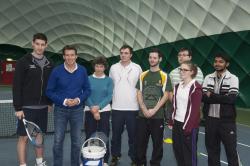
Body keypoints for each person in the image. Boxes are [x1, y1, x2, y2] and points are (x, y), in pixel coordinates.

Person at [13, 33, 53, 166]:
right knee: (23, 138)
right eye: (37, 44)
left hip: (42, 108)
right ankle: (23, 164)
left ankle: (40, 162)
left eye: (42, 44)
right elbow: (16, 86)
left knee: (39, 136)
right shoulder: (23, 62)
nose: (40, 47)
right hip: (26, 108)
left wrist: (49, 102)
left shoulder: (49, 64)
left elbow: (50, 86)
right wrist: (18, 108)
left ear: (46, 45)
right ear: (32, 44)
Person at [46, 45, 91, 166]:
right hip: (60, 110)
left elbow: (87, 90)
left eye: (72, 55)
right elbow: (49, 91)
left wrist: (78, 100)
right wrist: (64, 101)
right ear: (63, 56)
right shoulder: (56, 71)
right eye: (67, 55)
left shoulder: (82, 70)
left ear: (76, 56)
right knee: (57, 141)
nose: (70, 57)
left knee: (76, 142)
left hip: (77, 111)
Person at [202, 54, 240, 166]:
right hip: (210, 121)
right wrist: (221, 97)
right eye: (216, 61)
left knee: (231, 152)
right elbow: (203, 97)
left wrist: (212, 95)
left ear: (227, 64)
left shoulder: (233, 78)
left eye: (221, 61)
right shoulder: (208, 77)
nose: (217, 64)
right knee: (212, 151)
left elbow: (231, 99)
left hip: (227, 122)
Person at [135, 48, 172, 166]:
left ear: (160, 59)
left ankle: (155, 164)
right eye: (150, 57)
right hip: (142, 115)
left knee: (157, 145)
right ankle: (141, 163)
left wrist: (154, 110)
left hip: (158, 116)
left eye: (155, 57)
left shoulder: (164, 76)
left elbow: (166, 95)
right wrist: (144, 109)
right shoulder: (143, 75)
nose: (152, 59)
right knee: (140, 143)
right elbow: (139, 93)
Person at [109, 44, 142, 166]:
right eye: (122, 52)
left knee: (133, 137)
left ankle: (134, 158)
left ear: (131, 55)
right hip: (117, 108)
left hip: (133, 109)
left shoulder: (137, 68)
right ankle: (115, 156)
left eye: (126, 53)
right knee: (116, 136)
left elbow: (141, 87)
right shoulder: (113, 67)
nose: (123, 55)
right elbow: (110, 86)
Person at [170, 61, 202, 166]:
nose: (182, 72)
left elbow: (194, 110)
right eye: (181, 69)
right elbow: (174, 106)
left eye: (185, 70)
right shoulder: (177, 86)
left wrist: (187, 128)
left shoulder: (195, 88)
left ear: (192, 72)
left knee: (189, 155)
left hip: (189, 126)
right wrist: (172, 120)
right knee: (178, 152)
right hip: (177, 124)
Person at [84, 56, 113, 165]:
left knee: (104, 136)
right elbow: (86, 95)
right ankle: (89, 159)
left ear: (104, 67)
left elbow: (109, 96)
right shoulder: (88, 79)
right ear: (94, 66)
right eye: (97, 66)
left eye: (101, 66)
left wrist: (98, 108)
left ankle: (104, 160)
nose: (99, 68)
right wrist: (93, 109)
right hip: (89, 110)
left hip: (104, 112)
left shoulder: (109, 80)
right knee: (89, 135)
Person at [168, 48, 204, 124]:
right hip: (177, 114)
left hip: (192, 114)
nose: (181, 57)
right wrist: (177, 106)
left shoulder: (198, 71)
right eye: (179, 55)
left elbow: (198, 93)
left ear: (190, 57)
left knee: (191, 134)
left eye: (184, 55)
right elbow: (170, 92)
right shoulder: (172, 73)